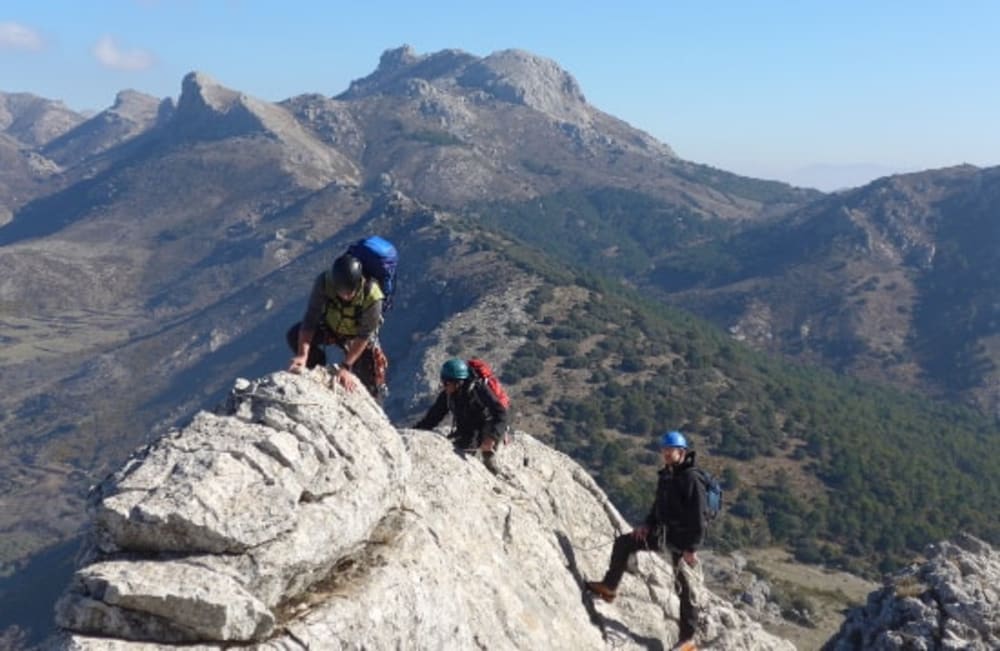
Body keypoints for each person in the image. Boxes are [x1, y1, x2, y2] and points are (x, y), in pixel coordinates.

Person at [585, 430, 706, 651]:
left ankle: (688, 640)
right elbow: (657, 505)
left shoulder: (691, 478)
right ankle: (609, 587)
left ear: (682, 452)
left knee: (686, 589)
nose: (667, 454)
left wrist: (692, 547)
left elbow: (698, 515)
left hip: (681, 540)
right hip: (662, 534)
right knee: (625, 542)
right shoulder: (667, 475)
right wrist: (646, 525)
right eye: (665, 450)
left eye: (671, 450)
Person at [286, 253, 387, 398]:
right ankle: (315, 369)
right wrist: (302, 355)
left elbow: (364, 336)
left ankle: (371, 402)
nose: (345, 296)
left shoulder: (372, 296)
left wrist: (346, 367)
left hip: (357, 336)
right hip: (331, 327)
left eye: (349, 292)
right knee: (294, 335)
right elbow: (310, 319)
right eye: (342, 292)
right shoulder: (324, 282)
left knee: (369, 384)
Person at [413, 358, 509, 475]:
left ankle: (496, 475)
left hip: (486, 428)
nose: (444, 386)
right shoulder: (448, 395)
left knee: (488, 461)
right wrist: (414, 431)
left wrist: (492, 437)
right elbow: (432, 418)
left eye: (446, 383)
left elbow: (501, 414)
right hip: (466, 430)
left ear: (458, 382)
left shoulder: (479, 390)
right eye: (443, 382)